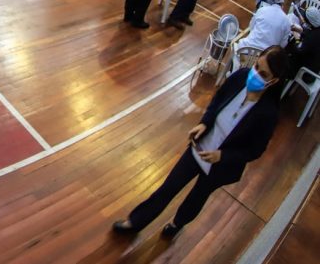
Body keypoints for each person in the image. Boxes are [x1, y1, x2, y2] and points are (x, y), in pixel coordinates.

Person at [113, 46, 289, 238]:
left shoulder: (268, 114)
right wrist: (204, 123)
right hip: (201, 146)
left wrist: (222, 156)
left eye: (263, 74)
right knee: (170, 186)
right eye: (256, 66)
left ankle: (177, 223)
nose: (254, 74)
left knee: (197, 197)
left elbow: (255, 150)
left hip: (220, 166)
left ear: (274, 81)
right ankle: (136, 221)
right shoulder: (241, 77)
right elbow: (217, 100)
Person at [286, 7, 320, 79]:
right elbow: (309, 33)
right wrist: (300, 31)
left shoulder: (311, 37)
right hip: (315, 66)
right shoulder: (316, 30)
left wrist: (297, 40)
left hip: (307, 73)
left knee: (288, 50)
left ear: (309, 22)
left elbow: (299, 51)